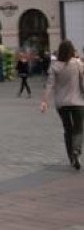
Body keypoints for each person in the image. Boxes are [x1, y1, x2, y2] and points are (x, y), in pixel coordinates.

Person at [40, 40, 84, 170]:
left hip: (61, 103)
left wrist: (44, 101)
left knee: (68, 129)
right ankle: (76, 151)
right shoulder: (78, 64)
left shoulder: (54, 66)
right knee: (79, 128)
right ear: (72, 50)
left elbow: (49, 85)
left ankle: (71, 156)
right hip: (78, 102)